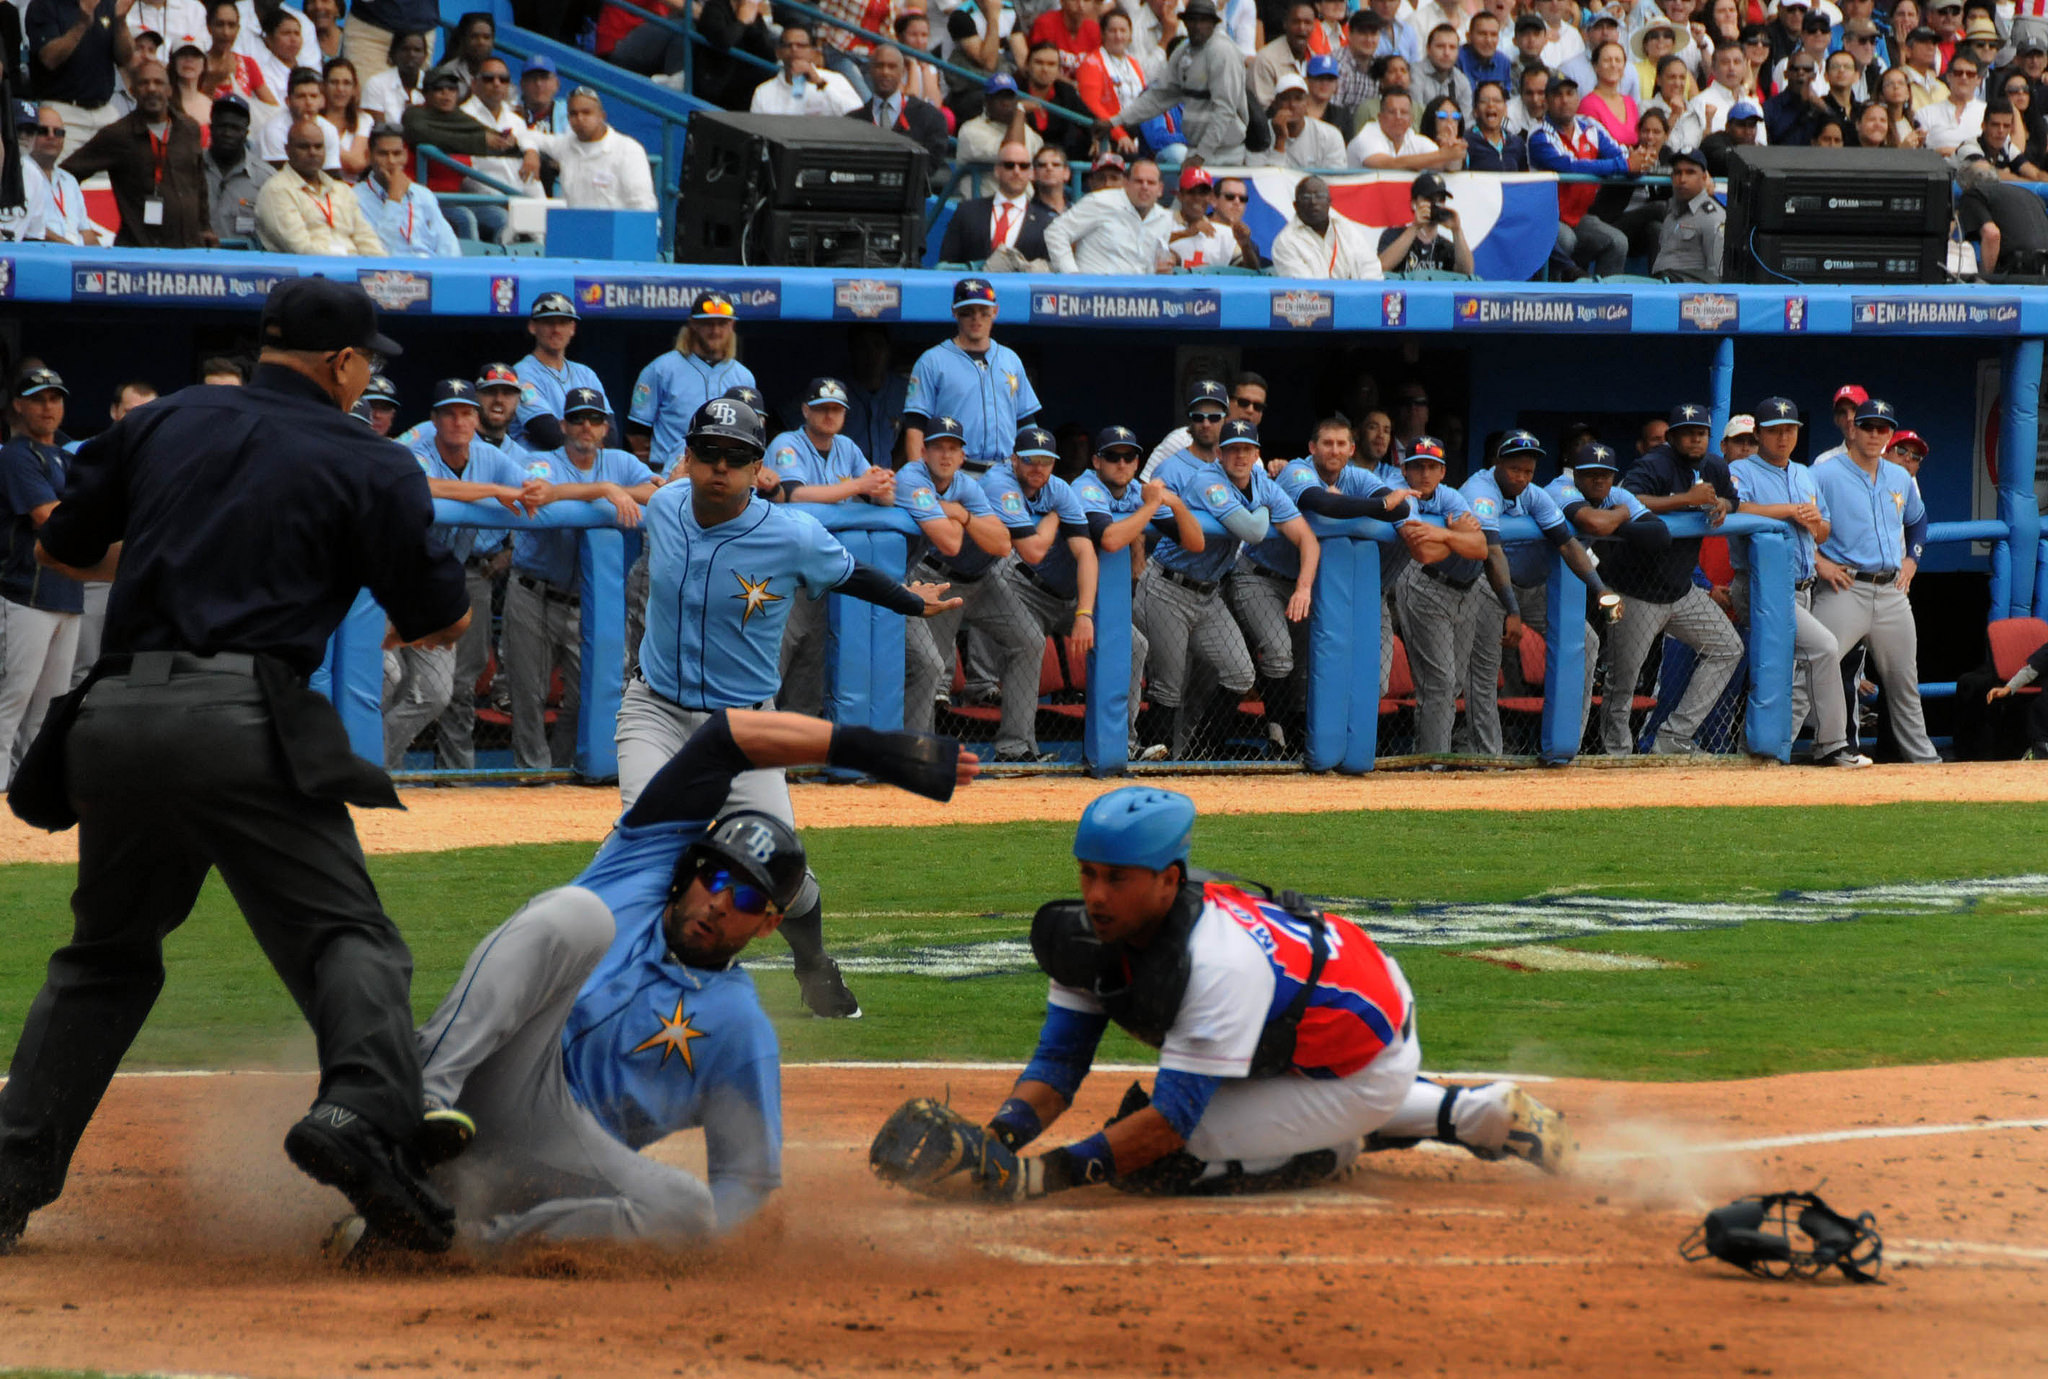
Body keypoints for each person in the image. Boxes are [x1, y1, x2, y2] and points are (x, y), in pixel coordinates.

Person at [0, 279, 470, 1262]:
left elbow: (68, 546)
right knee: (351, 935)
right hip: (239, 715)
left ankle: (9, 1173)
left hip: (115, 712)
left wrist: (185, 553)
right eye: (366, 364)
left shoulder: (162, 418)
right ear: (344, 365)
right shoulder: (369, 455)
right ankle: (362, 1113)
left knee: (103, 959)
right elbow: (436, 616)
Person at [328, 710, 974, 1260]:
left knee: (691, 1209)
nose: (720, 900)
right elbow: (724, 737)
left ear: (770, 923)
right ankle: (417, 1102)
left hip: (550, 1157)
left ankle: (457, 1242)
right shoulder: (638, 865)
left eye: (745, 896)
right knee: (573, 913)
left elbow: (745, 1186)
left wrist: (706, 1235)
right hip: (485, 1081)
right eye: (714, 877)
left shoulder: (739, 1027)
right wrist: (876, 750)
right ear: (689, 867)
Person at [892, 787, 1571, 1207]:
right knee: (1173, 1113)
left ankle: (1334, 1143)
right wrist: (996, 1139)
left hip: (1365, 1047)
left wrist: (1032, 1179)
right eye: (1088, 874)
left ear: (1168, 881)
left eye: (1118, 878)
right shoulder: (1088, 934)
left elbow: (1167, 1123)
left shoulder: (1217, 964)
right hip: (1324, 1009)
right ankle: (1477, 1112)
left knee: (1165, 1160)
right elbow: (1058, 1064)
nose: (1096, 896)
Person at [622, 399, 961, 1018]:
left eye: (737, 458)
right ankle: (648, 989)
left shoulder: (793, 532)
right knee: (643, 850)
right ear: (688, 458)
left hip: (747, 725)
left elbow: (851, 572)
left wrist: (914, 605)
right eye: (709, 455)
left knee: (774, 864)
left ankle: (813, 966)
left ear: (758, 469)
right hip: (655, 710)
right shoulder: (665, 506)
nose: (720, 468)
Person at [384, 379, 550, 770]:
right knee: (385, 681)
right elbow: (424, 486)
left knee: (435, 693)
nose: (458, 421)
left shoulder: (489, 457)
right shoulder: (419, 451)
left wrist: (540, 484)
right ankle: (364, 768)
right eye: (448, 413)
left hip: (439, 589)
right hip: (388, 585)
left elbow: (535, 485)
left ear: (476, 419)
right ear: (434, 419)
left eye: (465, 412)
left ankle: (370, 761)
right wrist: (494, 490)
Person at [1137, 420, 1316, 759]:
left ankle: (1202, 752)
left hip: (1208, 593)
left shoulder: (1262, 481)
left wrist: (1303, 587)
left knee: (1240, 673)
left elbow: (1307, 539)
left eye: (1246, 449)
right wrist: (1264, 508)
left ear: (1256, 454)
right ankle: (1149, 759)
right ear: (1219, 453)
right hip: (1167, 585)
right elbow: (1252, 530)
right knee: (1170, 685)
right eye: (1232, 448)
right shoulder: (1208, 479)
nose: (1240, 455)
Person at [1236, 420, 1412, 756]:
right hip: (1260, 574)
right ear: (1312, 447)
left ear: (1351, 450)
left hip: (1306, 583)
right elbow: (1322, 503)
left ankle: (1299, 742)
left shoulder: (1356, 476)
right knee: (1278, 652)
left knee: (1306, 666)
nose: (1334, 450)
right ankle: (1274, 734)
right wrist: (1377, 507)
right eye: (1327, 443)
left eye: (1341, 444)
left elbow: (1401, 507)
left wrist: (1369, 504)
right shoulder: (1296, 471)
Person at [503, 388, 653, 773]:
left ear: (605, 428)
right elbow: (541, 494)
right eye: (579, 418)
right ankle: (533, 775)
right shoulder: (541, 461)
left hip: (591, 603)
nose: (587, 426)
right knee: (529, 694)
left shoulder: (620, 462)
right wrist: (605, 490)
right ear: (564, 425)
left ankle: (565, 767)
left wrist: (615, 486)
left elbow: (660, 490)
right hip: (534, 592)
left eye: (595, 419)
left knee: (592, 694)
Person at [1456, 431, 1618, 756]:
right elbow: (1492, 554)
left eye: (1528, 471)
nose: (1522, 477)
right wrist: (1512, 611)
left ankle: (1569, 743)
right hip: (1481, 583)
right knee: (1483, 673)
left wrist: (1601, 590)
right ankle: (1487, 759)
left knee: (1587, 641)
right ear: (1497, 463)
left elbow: (1567, 543)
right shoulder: (1480, 489)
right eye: (1514, 468)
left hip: (1529, 588)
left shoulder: (1532, 494)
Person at [1726, 397, 1861, 769]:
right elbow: (1735, 509)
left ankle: (1762, 752)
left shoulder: (1804, 473)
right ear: (1759, 434)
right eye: (1774, 430)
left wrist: (1814, 521)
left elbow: (1823, 533)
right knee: (1824, 648)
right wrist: (1788, 511)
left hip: (1804, 586)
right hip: (1760, 587)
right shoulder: (1743, 470)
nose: (1783, 437)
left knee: (1791, 673)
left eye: (1789, 429)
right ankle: (1832, 745)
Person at [1604, 404, 1745, 756]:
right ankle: (1615, 754)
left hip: (1682, 591)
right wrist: (1685, 500)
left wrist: (1725, 504)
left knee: (1728, 648)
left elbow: (1733, 498)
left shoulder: (1713, 465)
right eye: (1687, 431)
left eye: (1701, 432)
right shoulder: (1654, 463)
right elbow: (1626, 500)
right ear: (1671, 437)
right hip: (1634, 592)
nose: (1695, 438)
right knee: (1622, 679)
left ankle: (1673, 738)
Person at [1809, 398, 1940, 765]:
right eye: (1867, 426)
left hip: (1891, 590)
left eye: (1882, 428)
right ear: (1853, 429)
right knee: (1817, 665)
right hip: (1845, 586)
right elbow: (1798, 524)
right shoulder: (1823, 473)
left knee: (1903, 680)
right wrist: (1819, 562)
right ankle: (1814, 748)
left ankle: (1924, 759)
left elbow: (1918, 521)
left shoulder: (1899, 475)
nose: (1874, 434)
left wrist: (1912, 560)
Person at [1071, 425, 1201, 762]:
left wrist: (1172, 502)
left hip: (1079, 593)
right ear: (1097, 461)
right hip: (1032, 584)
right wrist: (1150, 506)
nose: (1122, 463)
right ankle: (1013, 748)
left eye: (1129, 457)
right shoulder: (1085, 486)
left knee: (1135, 644)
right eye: (1113, 456)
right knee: (1026, 642)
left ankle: (1124, 744)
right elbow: (1110, 539)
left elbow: (1194, 543)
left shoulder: (1134, 493)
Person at [771, 377, 893, 716]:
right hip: (787, 570)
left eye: (836, 409)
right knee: (778, 656)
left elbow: (881, 497)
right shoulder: (787, 442)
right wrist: (858, 485)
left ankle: (795, 760)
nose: (829, 415)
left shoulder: (848, 448)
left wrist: (883, 488)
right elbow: (795, 493)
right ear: (806, 409)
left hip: (826, 573)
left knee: (811, 665)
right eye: (822, 408)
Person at [0, 367, 85, 785]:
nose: (48, 407)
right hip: (24, 594)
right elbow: (46, 518)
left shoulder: (69, 457)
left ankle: (27, 794)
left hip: (68, 594)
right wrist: (90, 520)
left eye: (54, 398)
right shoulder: (16, 455)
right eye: (38, 398)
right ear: (18, 405)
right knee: (11, 700)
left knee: (49, 707)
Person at [60, 59, 211, 247]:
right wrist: (81, 226)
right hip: (139, 252)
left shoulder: (189, 128)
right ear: (132, 91)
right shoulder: (118, 134)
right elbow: (65, 175)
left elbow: (200, 183)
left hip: (190, 250)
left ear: (170, 90)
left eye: (158, 82)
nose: (152, 88)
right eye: (144, 83)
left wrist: (206, 227)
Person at [903, 278, 1042, 475]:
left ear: (995, 311)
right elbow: (916, 425)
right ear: (954, 312)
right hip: (955, 473)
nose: (976, 318)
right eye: (967, 312)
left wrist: (1029, 470)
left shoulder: (1011, 359)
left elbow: (1026, 423)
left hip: (1006, 472)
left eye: (983, 311)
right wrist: (917, 476)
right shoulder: (932, 361)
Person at [627, 292, 757, 478]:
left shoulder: (744, 377)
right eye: (708, 323)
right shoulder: (661, 369)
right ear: (693, 324)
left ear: (732, 325)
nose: (716, 330)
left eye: (722, 323)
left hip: (726, 474)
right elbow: (637, 432)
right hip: (669, 473)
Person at [1113, 0, 1250, 164]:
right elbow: (1157, 140)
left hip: (1210, 154)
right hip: (1158, 166)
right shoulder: (1157, 92)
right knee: (1180, 153)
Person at [1528, 73, 1633, 277]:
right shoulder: (1539, 135)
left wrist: (1634, 163)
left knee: (1617, 242)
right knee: (1565, 239)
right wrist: (1624, 165)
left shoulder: (1591, 127)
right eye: (1557, 95)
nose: (1564, 100)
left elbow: (1620, 154)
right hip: (1548, 217)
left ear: (1578, 99)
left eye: (1570, 93)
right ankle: (1553, 298)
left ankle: (1605, 303)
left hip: (1579, 216)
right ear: (1546, 101)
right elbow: (1570, 166)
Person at [255, 116, 386, 254]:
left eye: (318, 146)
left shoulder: (341, 190)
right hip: (306, 272)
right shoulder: (277, 190)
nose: (313, 152)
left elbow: (367, 239)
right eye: (304, 147)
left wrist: (380, 270)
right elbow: (301, 249)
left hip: (352, 268)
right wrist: (348, 263)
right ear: (287, 150)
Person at [25, 0, 137, 148]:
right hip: (64, 113)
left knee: (118, 169)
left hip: (104, 111)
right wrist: (82, 24)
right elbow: (49, 59)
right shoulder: (44, 5)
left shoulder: (107, 4)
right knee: (62, 171)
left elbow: (126, 59)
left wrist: (121, 21)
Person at [514, 291, 610, 452]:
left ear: (572, 328)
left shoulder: (586, 374)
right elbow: (546, 432)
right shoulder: (521, 374)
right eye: (548, 322)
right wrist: (591, 444)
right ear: (532, 327)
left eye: (563, 322)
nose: (556, 329)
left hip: (586, 470)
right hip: (538, 468)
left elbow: (610, 430)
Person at [533, 87, 656, 211]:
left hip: (616, 228)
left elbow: (644, 206)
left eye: (586, 112)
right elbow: (527, 136)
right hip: (574, 225)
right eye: (573, 114)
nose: (580, 119)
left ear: (601, 116)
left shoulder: (628, 150)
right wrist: (530, 151)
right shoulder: (564, 145)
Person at [1046, 156, 1174, 274]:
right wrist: (1072, 276)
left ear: (1160, 189)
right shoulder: (1100, 201)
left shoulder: (1164, 218)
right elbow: (1056, 232)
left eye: (1151, 183)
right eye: (1138, 181)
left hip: (1138, 294)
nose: (1144, 187)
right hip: (1094, 292)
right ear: (1126, 183)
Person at [940, 140, 1057, 264]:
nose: (1016, 171)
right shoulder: (967, 211)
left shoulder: (1046, 222)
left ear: (1031, 173)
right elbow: (947, 263)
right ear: (997, 170)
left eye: (1023, 166)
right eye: (1009, 165)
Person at [353, 123, 461, 256]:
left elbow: (449, 246)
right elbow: (378, 251)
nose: (391, 161)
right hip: (389, 273)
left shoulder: (423, 195)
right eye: (383, 154)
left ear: (405, 156)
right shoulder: (355, 198)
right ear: (369, 156)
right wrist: (394, 200)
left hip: (429, 269)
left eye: (397, 154)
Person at [851, 42, 949, 171]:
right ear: (870, 70)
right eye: (879, 66)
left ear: (902, 72)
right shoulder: (853, 121)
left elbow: (933, 162)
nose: (885, 72)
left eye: (892, 67)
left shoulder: (930, 117)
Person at [1270, 174, 1383, 279]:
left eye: (1319, 196)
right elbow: (1306, 288)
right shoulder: (1285, 241)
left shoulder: (1346, 228)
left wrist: (1359, 294)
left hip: (1355, 298)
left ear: (1329, 202)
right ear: (1295, 205)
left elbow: (1371, 267)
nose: (1313, 201)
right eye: (1306, 197)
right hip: (1316, 300)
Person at [1957, 154, 2048, 275]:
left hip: (2018, 269)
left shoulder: (1973, 194)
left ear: (1965, 185)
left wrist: (1986, 277)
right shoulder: (2031, 195)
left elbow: (1991, 234)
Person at [957, 76, 1045, 197]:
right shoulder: (971, 130)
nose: (1005, 103)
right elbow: (1013, 152)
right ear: (987, 101)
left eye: (1009, 97)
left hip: (1023, 206)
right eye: (999, 97)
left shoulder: (1025, 129)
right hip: (984, 207)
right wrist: (1020, 110)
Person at [751, 22, 862, 117]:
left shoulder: (835, 80)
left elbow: (857, 115)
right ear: (778, 53)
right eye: (788, 45)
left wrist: (820, 83)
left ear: (813, 52)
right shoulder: (763, 92)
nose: (794, 50)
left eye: (801, 45)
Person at [1076, 8, 1147, 154]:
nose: (1118, 36)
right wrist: (1119, 134)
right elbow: (1092, 104)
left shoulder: (1134, 63)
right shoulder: (1091, 62)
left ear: (1130, 34)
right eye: (1112, 31)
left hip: (1137, 130)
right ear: (1102, 34)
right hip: (1111, 134)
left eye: (1123, 30)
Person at [1377, 170, 1474, 274]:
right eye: (1429, 199)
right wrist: (1415, 227)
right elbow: (1382, 266)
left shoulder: (1445, 246)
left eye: (1440, 200)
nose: (1435, 204)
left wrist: (1457, 230)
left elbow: (1466, 272)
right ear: (1414, 203)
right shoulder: (1393, 235)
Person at [1652, 146, 1725, 282]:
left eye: (1690, 172)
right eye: (1678, 172)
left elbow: (1717, 276)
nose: (1682, 179)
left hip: (1690, 296)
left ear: (1704, 178)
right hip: (1662, 287)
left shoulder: (1712, 217)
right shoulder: (1672, 213)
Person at [1350, 85, 1463, 167]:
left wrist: (1453, 152)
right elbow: (1388, 164)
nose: (1398, 117)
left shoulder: (1415, 139)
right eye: (1392, 112)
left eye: (1404, 112)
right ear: (1380, 117)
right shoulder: (1368, 135)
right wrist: (1442, 155)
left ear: (1411, 119)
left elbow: (1443, 166)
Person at [255, 65, 343, 169]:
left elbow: (331, 172)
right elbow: (279, 173)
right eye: (301, 96)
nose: (308, 102)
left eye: (313, 96)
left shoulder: (329, 130)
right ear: (288, 101)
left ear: (322, 101)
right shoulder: (274, 130)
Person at [1256, 71, 1348, 167]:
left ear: (1307, 103)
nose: (1292, 105)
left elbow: (1335, 178)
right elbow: (1262, 178)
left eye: (1298, 99)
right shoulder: (1259, 134)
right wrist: (1279, 142)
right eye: (1285, 99)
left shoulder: (1330, 135)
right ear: (1275, 104)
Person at [1165, 166, 1243, 268]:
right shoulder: (1162, 219)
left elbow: (1249, 269)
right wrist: (1185, 234)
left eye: (1203, 193)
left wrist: (1246, 245)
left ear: (1210, 197)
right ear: (1180, 196)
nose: (1197, 198)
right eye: (1191, 192)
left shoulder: (1223, 232)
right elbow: (1146, 244)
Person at [1250, 0, 1319, 109]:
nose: (1302, 28)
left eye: (1307, 23)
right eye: (1296, 22)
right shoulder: (1266, 59)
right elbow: (1262, 111)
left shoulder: (1315, 60)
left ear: (1314, 27)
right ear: (1285, 24)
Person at [361, 30, 430, 125]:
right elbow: (378, 129)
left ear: (425, 56)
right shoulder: (376, 84)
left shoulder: (433, 84)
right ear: (393, 53)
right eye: (405, 49)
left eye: (417, 50)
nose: (411, 54)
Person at [323, 57, 374, 179]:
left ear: (354, 89)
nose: (340, 89)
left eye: (346, 83)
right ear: (323, 86)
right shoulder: (314, 120)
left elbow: (356, 163)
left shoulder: (364, 119)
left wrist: (325, 144)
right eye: (334, 82)